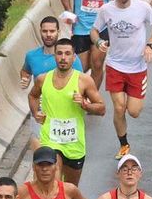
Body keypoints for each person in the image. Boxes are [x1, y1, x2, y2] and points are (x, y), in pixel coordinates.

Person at [91, 0, 152, 158]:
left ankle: (131, 108)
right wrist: (98, 42)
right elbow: (94, 30)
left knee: (134, 112)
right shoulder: (106, 10)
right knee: (119, 107)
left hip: (138, 68)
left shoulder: (142, 7)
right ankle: (124, 144)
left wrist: (150, 44)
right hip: (115, 66)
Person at [29, 39, 107, 186]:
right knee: (54, 182)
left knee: (70, 189)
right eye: (59, 53)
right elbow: (33, 95)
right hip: (50, 140)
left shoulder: (84, 80)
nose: (63, 58)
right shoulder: (43, 79)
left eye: (67, 54)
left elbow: (101, 109)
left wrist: (85, 105)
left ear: (74, 57)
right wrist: (35, 113)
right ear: (54, 56)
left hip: (74, 143)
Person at [20, 17, 81, 95]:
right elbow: (25, 71)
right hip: (40, 101)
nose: (48, 35)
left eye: (52, 31)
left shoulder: (70, 58)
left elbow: (81, 82)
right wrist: (25, 79)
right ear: (40, 32)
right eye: (44, 31)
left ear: (58, 32)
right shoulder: (31, 56)